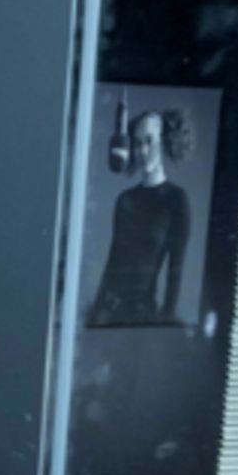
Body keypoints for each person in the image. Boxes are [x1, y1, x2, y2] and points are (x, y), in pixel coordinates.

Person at [86, 105, 197, 329]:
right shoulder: (125, 199)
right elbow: (113, 261)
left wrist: (164, 327)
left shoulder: (176, 201)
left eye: (150, 141)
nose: (143, 151)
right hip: (109, 312)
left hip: (143, 317)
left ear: (165, 141)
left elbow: (175, 274)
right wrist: (95, 317)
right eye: (137, 143)